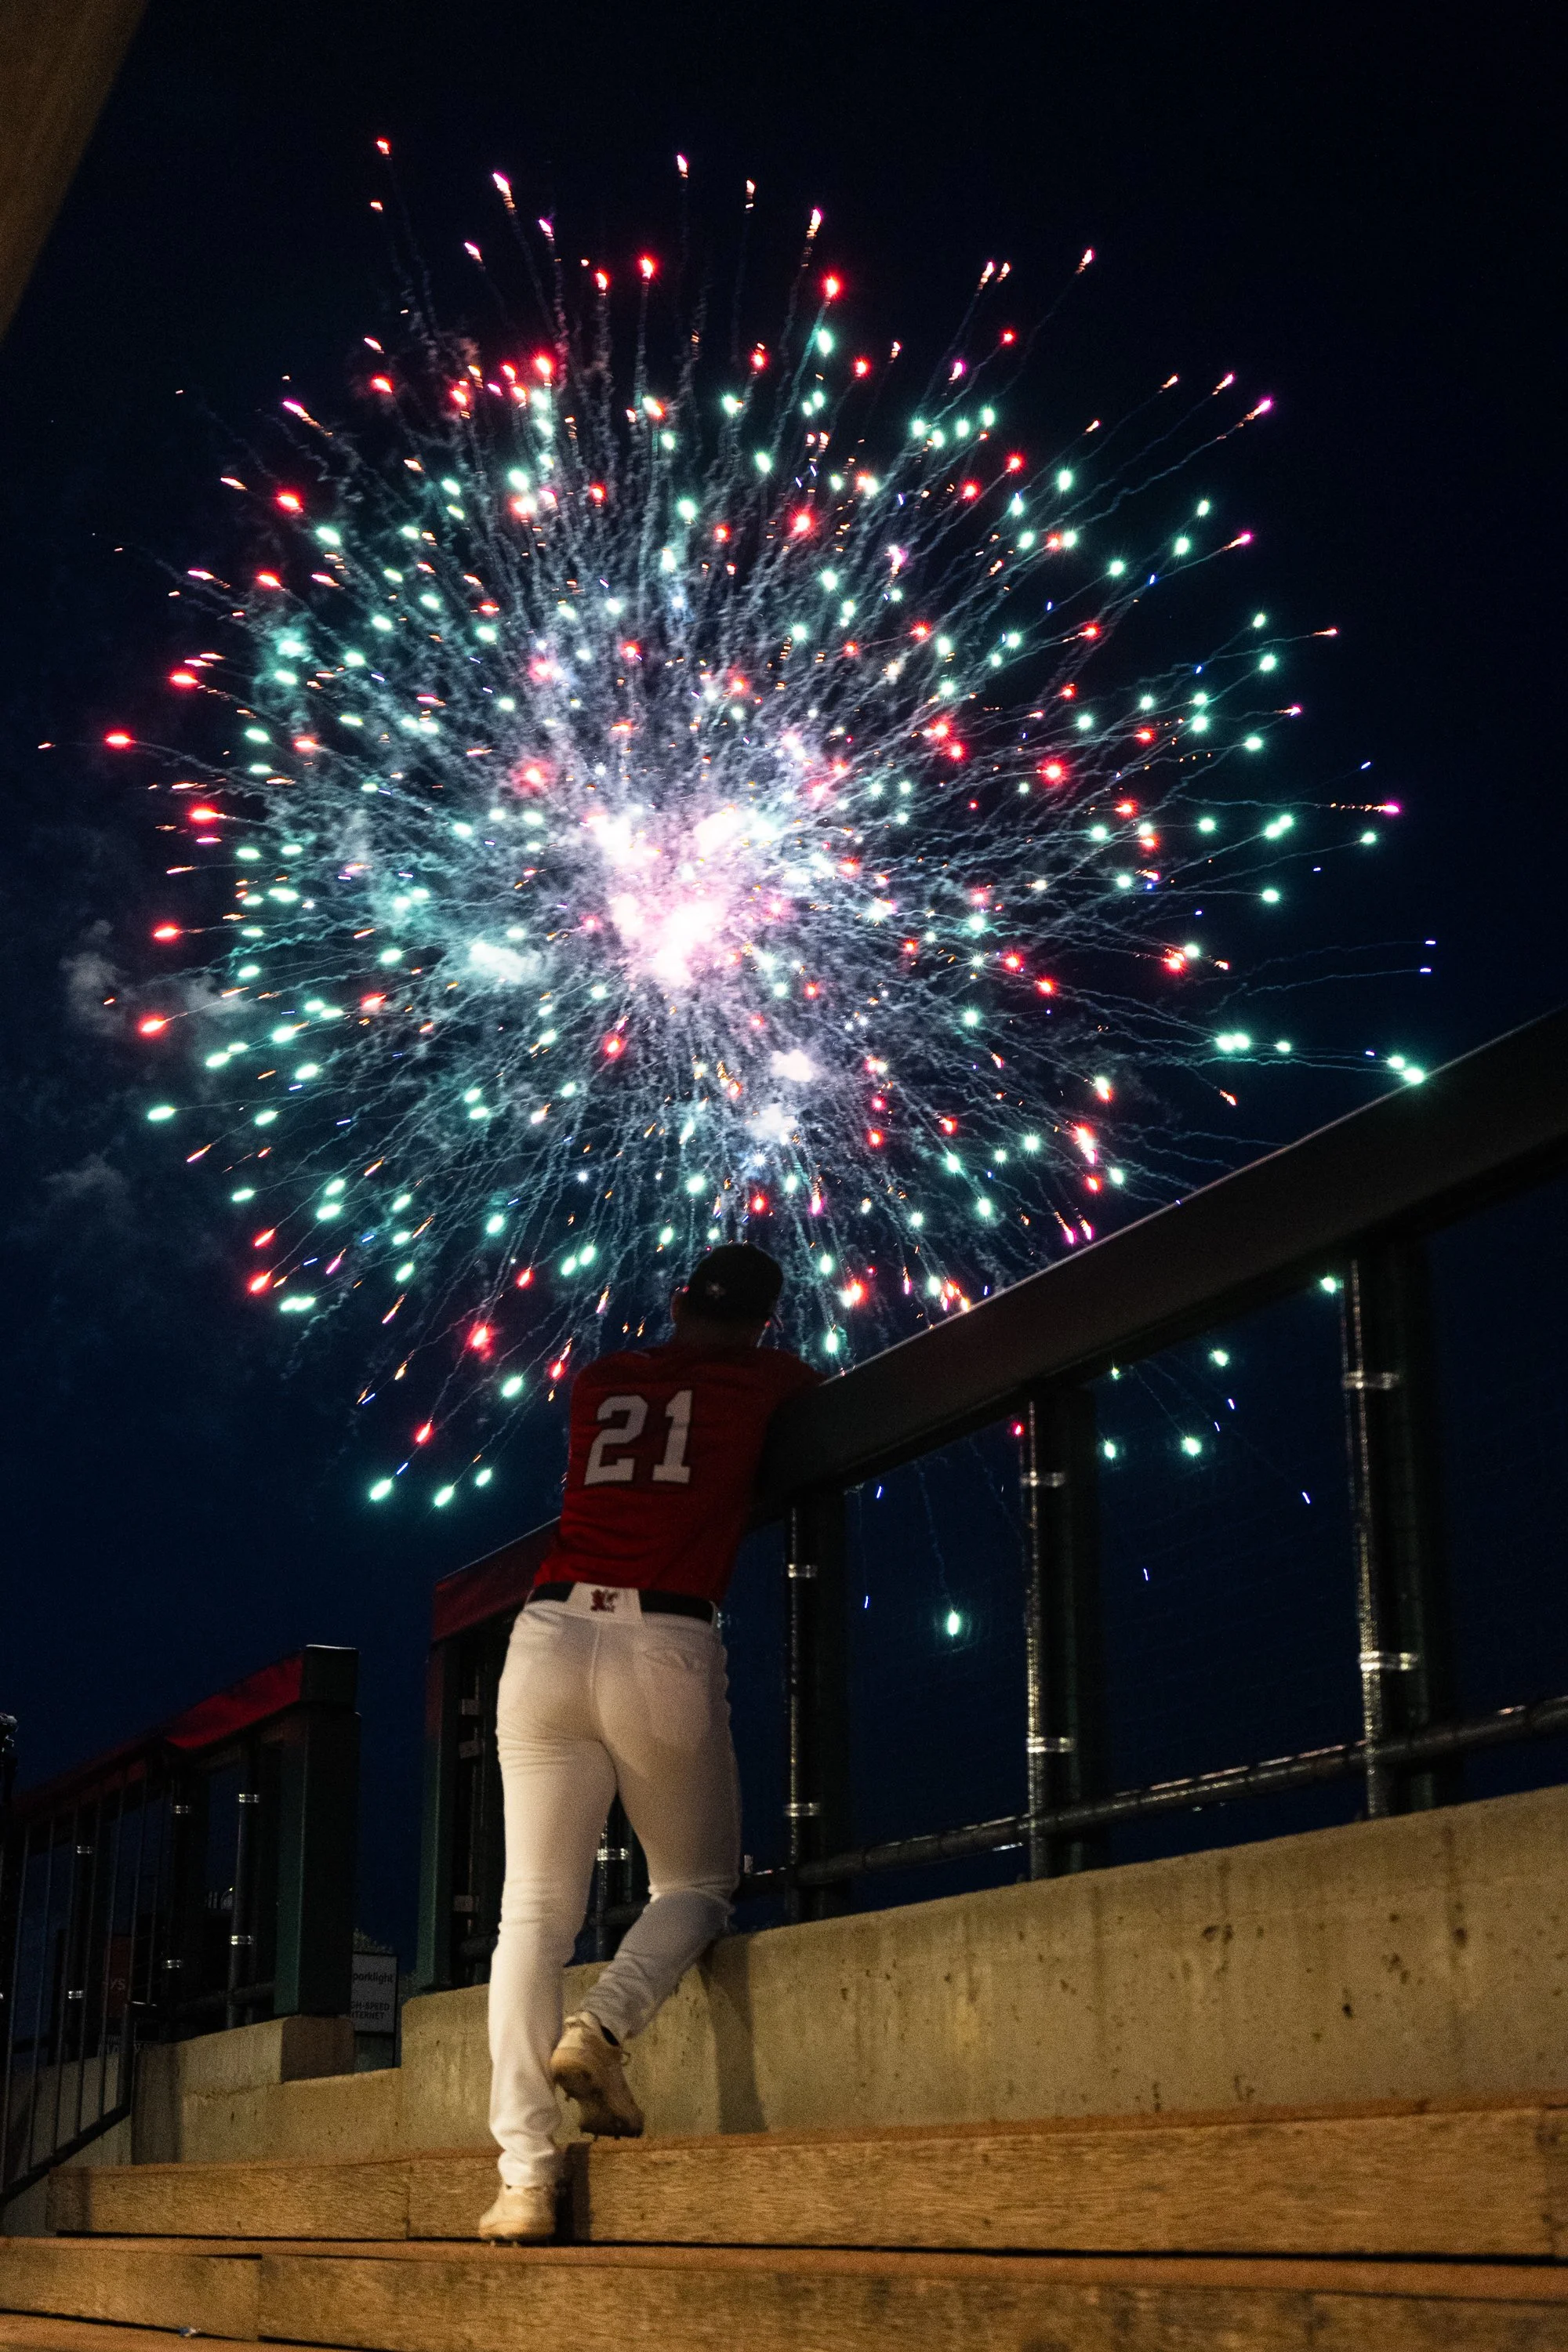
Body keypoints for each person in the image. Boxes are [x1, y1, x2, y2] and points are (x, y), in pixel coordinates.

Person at [479, 1242, 819, 2241]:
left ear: (676, 1301)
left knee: (530, 1918)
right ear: (763, 1320)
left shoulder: (601, 1379)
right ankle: (603, 2026)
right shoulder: (770, 1379)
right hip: (663, 1639)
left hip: (543, 1634)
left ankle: (524, 2181)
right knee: (696, 1886)